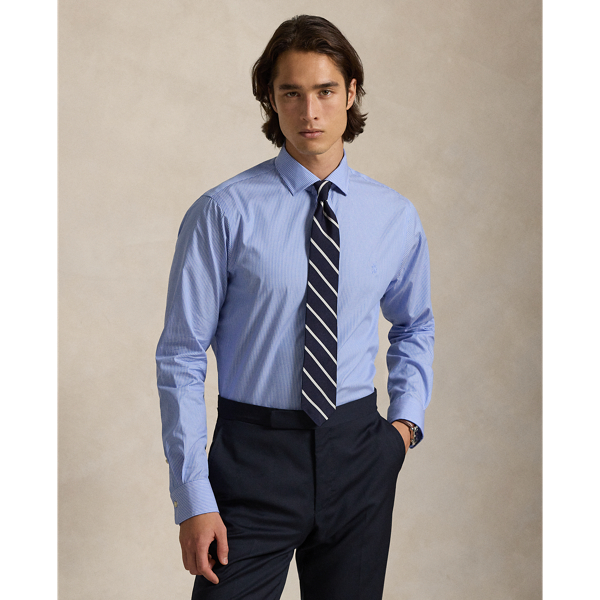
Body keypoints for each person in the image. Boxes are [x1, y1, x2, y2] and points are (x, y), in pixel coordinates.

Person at [157, 14, 434, 600]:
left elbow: (414, 324)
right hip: (251, 460)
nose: (310, 111)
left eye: (325, 91)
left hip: (358, 455)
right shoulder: (222, 212)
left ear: (351, 93)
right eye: (292, 93)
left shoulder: (393, 216)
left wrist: (403, 427)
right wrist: (193, 497)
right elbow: (181, 356)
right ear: (271, 99)